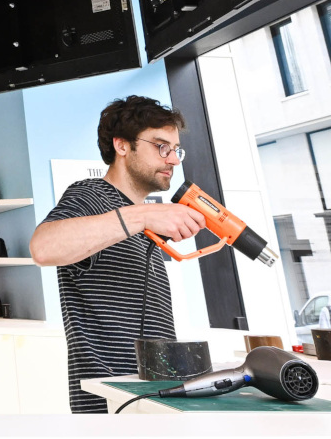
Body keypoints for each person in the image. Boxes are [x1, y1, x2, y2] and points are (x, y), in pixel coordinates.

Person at [29, 96, 206, 413]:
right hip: (112, 404)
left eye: (176, 150)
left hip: (153, 398)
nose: (173, 160)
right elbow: (43, 248)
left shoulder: (135, 220)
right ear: (122, 146)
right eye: (161, 147)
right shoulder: (91, 195)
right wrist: (143, 216)